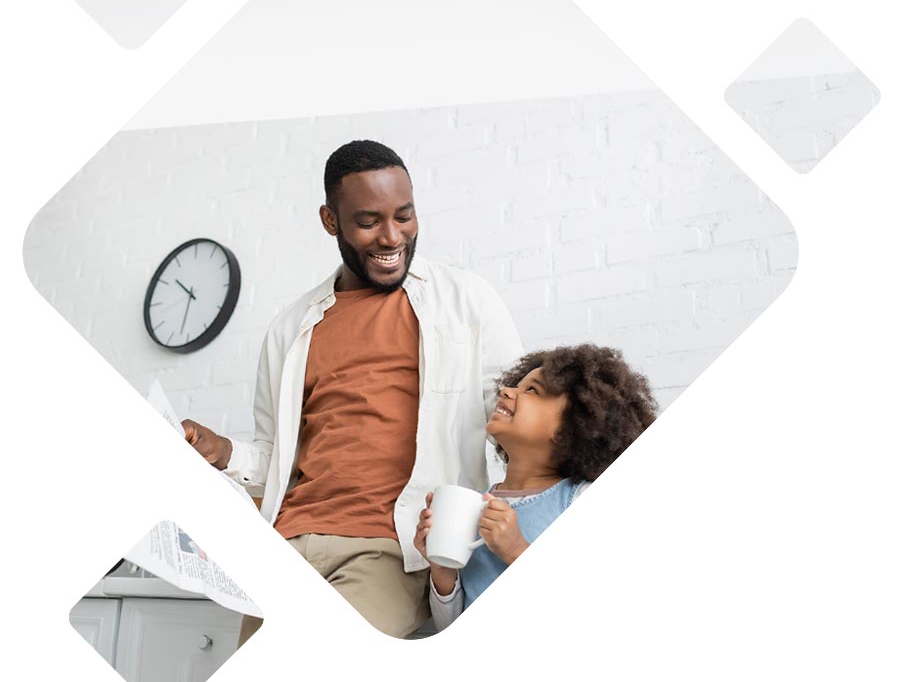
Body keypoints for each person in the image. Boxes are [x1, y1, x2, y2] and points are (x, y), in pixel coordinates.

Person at [182, 140, 522, 639]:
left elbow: (520, 422)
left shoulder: (466, 301)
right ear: (330, 220)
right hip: (285, 544)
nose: (392, 236)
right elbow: (277, 459)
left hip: (390, 549)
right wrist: (223, 452)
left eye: (404, 216)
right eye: (369, 222)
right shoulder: (292, 326)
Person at [414, 343, 657, 631]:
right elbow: (450, 625)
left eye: (532, 390)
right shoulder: (475, 507)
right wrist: (443, 571)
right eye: (516, 385)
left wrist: (516, 550)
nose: (506, 392)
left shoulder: (578, 498)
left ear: (574, 425)